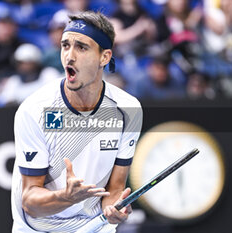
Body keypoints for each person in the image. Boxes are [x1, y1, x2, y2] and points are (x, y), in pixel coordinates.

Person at [11, 11, 143, 233]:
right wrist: (66, 197)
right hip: (39, 229)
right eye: (65, 45)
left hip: (94, 227)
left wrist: (114, 209)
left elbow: (115, 188)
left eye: (81, 47)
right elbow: (30, 201)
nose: (69, 56)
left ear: (105, 57)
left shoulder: (128, 110)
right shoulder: (33, 110)